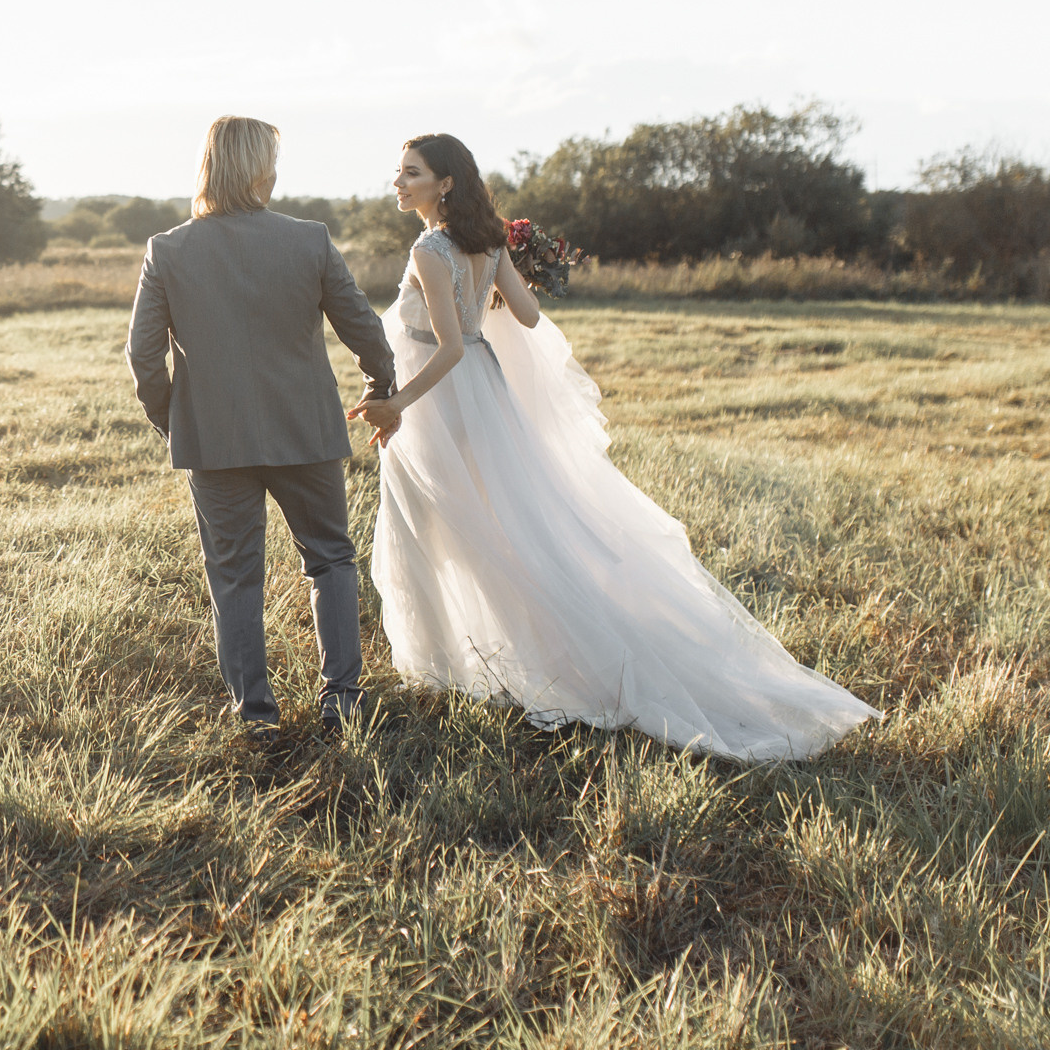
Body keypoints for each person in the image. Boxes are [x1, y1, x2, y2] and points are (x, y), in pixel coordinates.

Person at [350, 133, 878, 761]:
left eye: (411, 173)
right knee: (499, 523)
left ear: (445, 184)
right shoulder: (488, 242)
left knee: (443, 525)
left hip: (440, 401)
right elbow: (525, 317)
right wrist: (485, 291)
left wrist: (395, 406)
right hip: (485, 396)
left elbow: (449, 346)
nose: (398, 183)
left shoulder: (430, 248)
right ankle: (475, 655)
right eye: (399, 172)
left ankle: (449, 664)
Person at [126, 116, 397, 737]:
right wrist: (379, 387)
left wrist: (179, 423)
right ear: (260, 172)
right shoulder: (309, 239)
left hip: (214, 442)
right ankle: (343, 701)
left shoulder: (167, 250)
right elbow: (364, 328)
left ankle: (255, 716)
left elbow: (143, 358)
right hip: (306, 429)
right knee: (330, 559)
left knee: (235, 577)